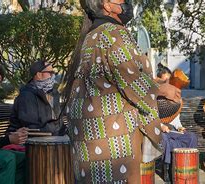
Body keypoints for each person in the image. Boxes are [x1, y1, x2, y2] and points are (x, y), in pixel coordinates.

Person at [66, 0, 179, 183]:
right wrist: (161, 89)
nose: (126, 3)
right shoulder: (114, 32)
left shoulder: (90, 36)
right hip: (113, 131)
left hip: (89, 131)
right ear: (107, 5)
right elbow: (130, 76)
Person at [155, 64, 198, 183]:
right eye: (165, 82)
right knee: (165, 139)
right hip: (156, 129)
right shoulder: (153, 97)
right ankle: (167, 169)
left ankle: (186, 165)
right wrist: (160, 126)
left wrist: (179, 127)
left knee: (191, 137)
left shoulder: (176, 98)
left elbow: (175, 119)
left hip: (171, 129)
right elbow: (148, 116)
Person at [8, 59, 65, 136]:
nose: (53, 75)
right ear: (38, 75)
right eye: (50, 73)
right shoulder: (26, 96)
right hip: (30, 141)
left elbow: (59, 121)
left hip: (52, 137)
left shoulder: (53, 93)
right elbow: (32, 127)